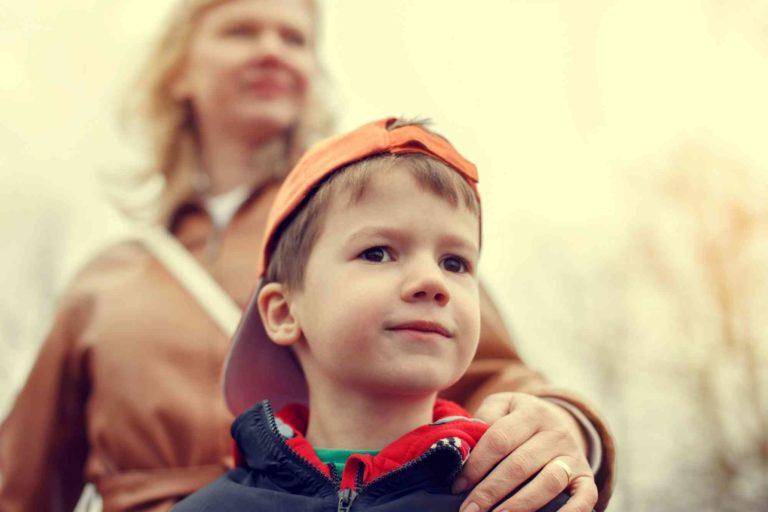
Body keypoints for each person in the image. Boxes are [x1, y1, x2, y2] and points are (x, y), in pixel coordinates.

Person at [0, 1, 613, 511]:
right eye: (242, 29)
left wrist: (567, 427)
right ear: (179, 72)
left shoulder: (359, 226)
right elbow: (18, 486)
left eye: (295, 38)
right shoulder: (106, 282)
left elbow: (499, 377)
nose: (274, 49)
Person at [173, 117, 589, 512]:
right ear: (283, 312)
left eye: (455, 263)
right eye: (377, 253)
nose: (432, 281)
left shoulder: (519, 498)